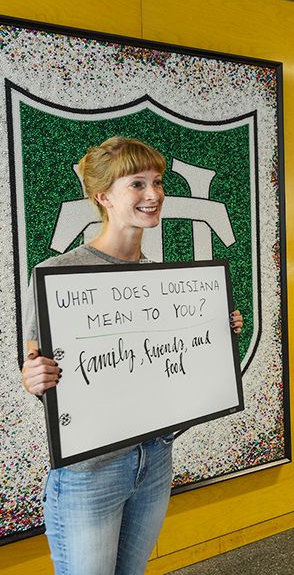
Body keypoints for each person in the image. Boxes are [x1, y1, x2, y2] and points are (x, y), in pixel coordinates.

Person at [20, 137, 244, 575]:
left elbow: (167, 365)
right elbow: (36, 368)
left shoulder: (165, 280)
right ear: (103, 196)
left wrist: (217, 334)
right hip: (90, 470)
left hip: (155, 457)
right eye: (137, 184)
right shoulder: (58, 274)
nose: (154, 195)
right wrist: (36, 378)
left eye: (157, 182)